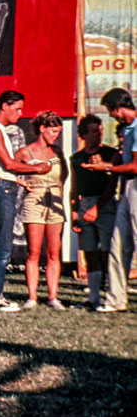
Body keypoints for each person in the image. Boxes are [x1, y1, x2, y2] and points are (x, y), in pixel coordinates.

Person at [0, 90, 51, 312]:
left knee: (1, 244)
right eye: (17, 108)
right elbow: (8, 164)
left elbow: (1, 169)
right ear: (4, 106)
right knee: (2, 246)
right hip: (1, 191)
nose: (21, 113)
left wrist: (20, 182)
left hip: (3, 187)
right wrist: (37, 168)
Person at [81, 88, 137, 312]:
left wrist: (107, 167)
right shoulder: (128, 129)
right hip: (126, 189)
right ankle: (115, 300)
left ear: (118, 108)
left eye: (111, 112)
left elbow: (135, 166)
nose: (112, 116)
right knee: (118, 245)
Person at [14, 111, 68, 310]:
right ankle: (32, 296)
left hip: (55, 202)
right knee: (33, 252)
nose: (56, 135)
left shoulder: (58, 151)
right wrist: (22, 182)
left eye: (59, 132)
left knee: (54, 252)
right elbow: (8, 169)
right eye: (53, 131)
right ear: (42, 128)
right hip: (33, 200)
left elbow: (65, 175)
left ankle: (53, 296)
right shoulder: (25, 152)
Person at [70, 115, 118, 310]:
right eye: (93, 131)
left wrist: (97, 207)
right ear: (83, 135)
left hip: (104, 204)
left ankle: (112, 295)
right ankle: (94, 297)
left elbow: (113, 185)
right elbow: (74, 187)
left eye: (100, 130)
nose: (98, 134)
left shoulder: (110, 153)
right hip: (84, 204)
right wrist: (74, 211)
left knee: (108, 251)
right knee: (89, 252)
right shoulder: (77, 158)